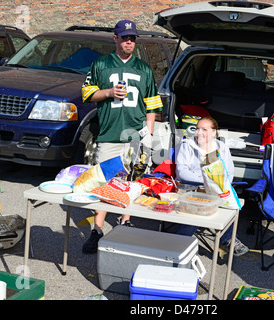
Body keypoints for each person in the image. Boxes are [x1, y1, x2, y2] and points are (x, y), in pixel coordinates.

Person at [80, 19, 162, 254]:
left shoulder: (144, 68)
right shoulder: (101, 64)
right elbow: (86, 93)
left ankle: (125, 222)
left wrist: (149, 136)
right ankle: (96, 229)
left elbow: (152, 106)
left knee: (132, 184)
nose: (129, 42)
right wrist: (107, 92)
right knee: (105, 183)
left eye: (133, 38)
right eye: (125, 37)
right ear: (115, 38)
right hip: (109, 134)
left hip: (136, 136)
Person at [175, 117, 249, 256]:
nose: (199, 132)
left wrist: (219, 185)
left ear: (215, 132)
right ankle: (180, 240)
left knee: (225, 205)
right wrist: (204, 181)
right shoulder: (187, 145)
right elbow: (182, 172)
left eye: (204, 129)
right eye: (197, 128)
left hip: (216, 188)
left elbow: (229, 171)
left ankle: (228, 240)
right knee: (199, 206)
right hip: (192, 187)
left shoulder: (221, 147)